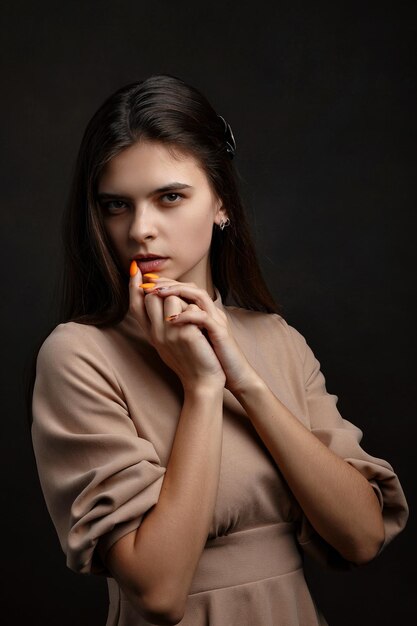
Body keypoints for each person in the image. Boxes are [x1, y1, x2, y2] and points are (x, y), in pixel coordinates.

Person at [30, 73, 408, 626]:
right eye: (117, 205)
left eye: (170, 197)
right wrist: (202, 388)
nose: (141, 230)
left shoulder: (275, 338)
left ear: (221, 202)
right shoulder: (78, 355)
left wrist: (247, 383)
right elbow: (158, 594)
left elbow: (362, 537)